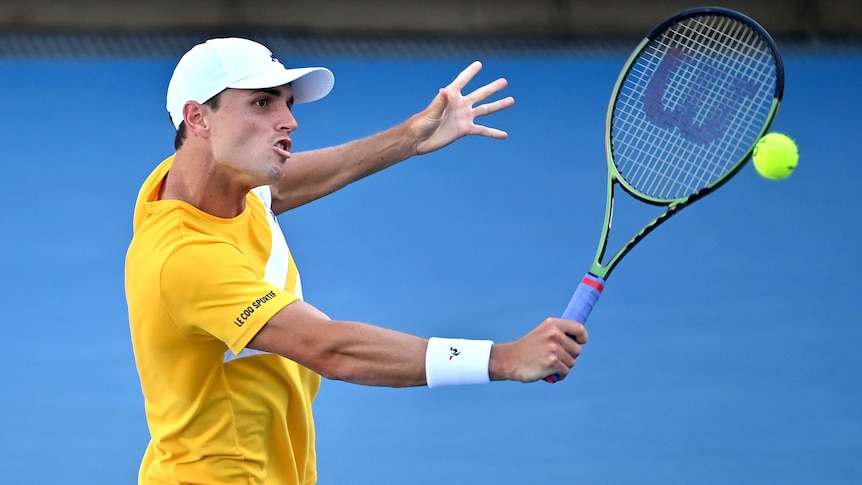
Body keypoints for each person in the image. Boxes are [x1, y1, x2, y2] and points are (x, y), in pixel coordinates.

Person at [125, 37, 588, 485]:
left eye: (288, 103)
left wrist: (409, 136)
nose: (289, 121)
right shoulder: (186, 258)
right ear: (198, 118)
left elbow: (282, 187)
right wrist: (503, 359)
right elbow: (331, 348)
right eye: (263, 103)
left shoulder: (198, 182)